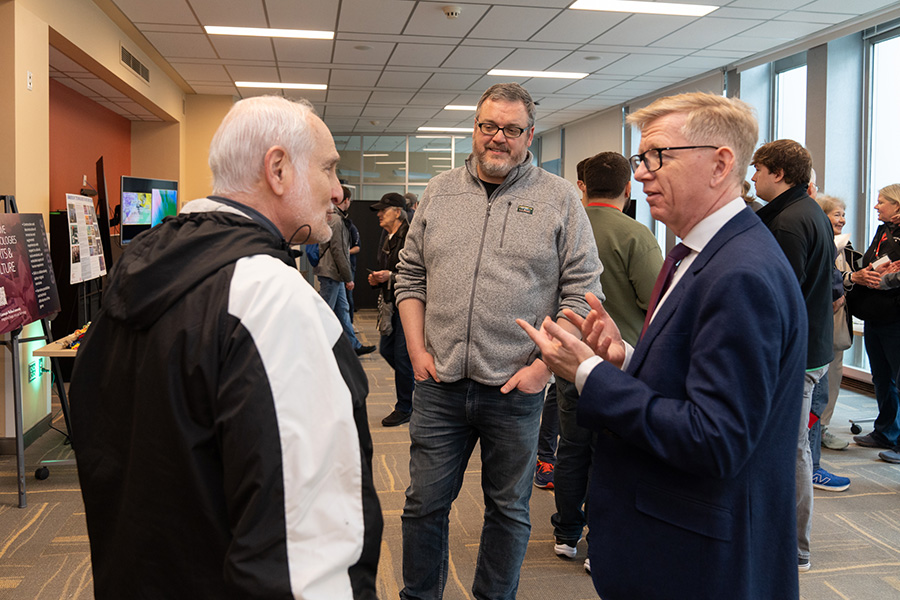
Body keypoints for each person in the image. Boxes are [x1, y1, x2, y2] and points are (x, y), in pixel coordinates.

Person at [68, 96, 382, 599]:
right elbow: (304, 551)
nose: (338, 191)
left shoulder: (134, 279)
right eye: (328, 168)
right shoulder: (272, 301)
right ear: (278, 169)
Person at [519, 92, 805, 600]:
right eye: (640, 159)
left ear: (721, 165)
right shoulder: (694, 252)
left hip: (698, 555)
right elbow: (692, 379)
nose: (643, 173)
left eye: (658, 157)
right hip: (668, 531)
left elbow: (715, 438)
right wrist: (624, 359)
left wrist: (588, 374)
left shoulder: (741, 272)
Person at [395, 82, 604, 600]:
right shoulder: (439, 192)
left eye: (511, 129)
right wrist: (418, 351)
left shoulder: (558, 200)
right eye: (489, 126)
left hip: (515, 389)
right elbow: (410, 276)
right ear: (475, 129)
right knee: (423, 504)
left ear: (529, 135)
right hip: (439, 384)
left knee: (508, 511)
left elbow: (582, 292)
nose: (498, 138)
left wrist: (542, 369)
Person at [552, 152, 663, 569]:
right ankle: (600, 542)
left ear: (583, 186)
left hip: (568, 357)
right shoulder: (635, 234)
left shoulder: (564, 229)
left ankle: (566, 534)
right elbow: (654, 302)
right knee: (610, 456)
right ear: (627, 188)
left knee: (572, 448)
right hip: (618, 365)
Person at [752, 139, 839, 569]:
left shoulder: (788, 222)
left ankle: (796, 549)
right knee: (792, 447)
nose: (753, 177)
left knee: (792, 450)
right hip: (808, 348)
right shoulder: (806, 211)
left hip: (796, 356)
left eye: (758, 170)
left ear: (779, 174)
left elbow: (776, 298)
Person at [847, 183, 900, 464]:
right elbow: (874, 261)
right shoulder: (883, 230)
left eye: (881, 202)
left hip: (895, 317)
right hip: (874, 315)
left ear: (898, 205)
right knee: (881, 377)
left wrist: (885, 278)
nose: (876, 206)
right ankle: (885, 432)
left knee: (897, 379)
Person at [815, 195, 861, 451]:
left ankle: (823, 427)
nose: (842, 219)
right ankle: (812, 427)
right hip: (820, 318)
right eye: (836, 214)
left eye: (843, 214)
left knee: (834, 375)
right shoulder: (817, 242)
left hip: (838, 322)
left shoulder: (847, 246)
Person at [368, 192, 415, 427]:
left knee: (403, 357)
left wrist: (391, 276)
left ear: (398, 212)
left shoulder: (410, 235)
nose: (379, 214)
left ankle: (405, 406)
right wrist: (379, 278)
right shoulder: (386, 236)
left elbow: (417, 273)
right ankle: (417, 387)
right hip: (389, 302)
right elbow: (384, 265)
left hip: (408, 304)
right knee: (387, 351)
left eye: (383, 210)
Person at [316, 186, 375, 356]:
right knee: (326, 310)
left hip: (334, 273)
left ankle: (353, 345)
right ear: (347, 201)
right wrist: (348, 277)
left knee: (343, 309)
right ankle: (317, 348)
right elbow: (339, 251)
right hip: (332, 273)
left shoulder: (332, 219)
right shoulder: (337, 221)